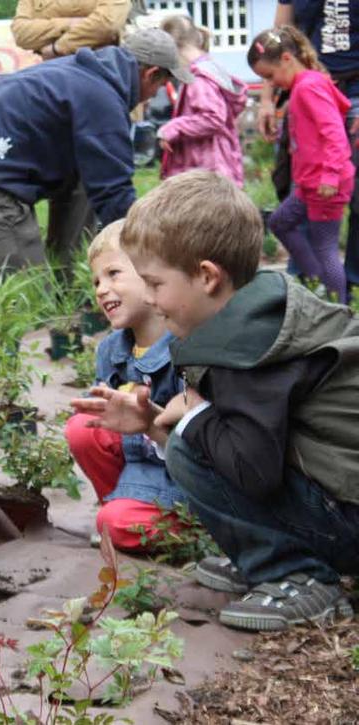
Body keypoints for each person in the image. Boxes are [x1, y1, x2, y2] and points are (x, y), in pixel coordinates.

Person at [75, 170, 359, 632]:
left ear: (206, 276)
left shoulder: (242, 352)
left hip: (347, 518)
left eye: (154, 283)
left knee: (191, 446)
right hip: (343, 493)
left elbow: (255, 473)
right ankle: (264, 551)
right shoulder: (259, 310)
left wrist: (196, 415)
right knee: (201, 435)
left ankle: (295, 573)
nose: (149, 298)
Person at [0, 28, 193, 277]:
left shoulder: (86, 77)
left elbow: (100, 181)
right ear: (151, 74)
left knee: (86, 181)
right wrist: (149, 259)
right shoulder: (101, 99)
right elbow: (115, 194)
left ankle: (69, 288)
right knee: (28, 296)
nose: (153, 96)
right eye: (160, 86)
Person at [64, 221, 184, 552]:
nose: (102, 289)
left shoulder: (187, 344)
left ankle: (197, 529)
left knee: (113, 525)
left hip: (187, 481)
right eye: (96, 281)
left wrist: (152, 420)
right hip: (140, 468)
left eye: (114, 274)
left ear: (151, 274)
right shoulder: (111, 350)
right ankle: (119, 503)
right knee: (82, 429)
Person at [257, 0, 359, 290]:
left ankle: (346, 287)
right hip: (305, 85)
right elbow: (277, 37)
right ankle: (307, 281)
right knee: (298, 185)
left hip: (354, 89)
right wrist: (266, 97)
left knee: (350, 193)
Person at [158, 15, 247, 186]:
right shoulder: (211, 69)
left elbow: (214, 117)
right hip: (217, 169)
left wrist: (174, 127)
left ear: (173, 50)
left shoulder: (199, 79)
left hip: (207, 175)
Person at [11, 0, 132, 60]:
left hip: (105, 73)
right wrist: (70, 23)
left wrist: (57, 48)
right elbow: (21, 33)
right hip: (54, 80)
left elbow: (107, 25)